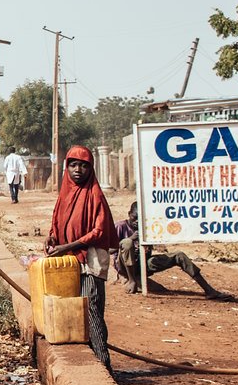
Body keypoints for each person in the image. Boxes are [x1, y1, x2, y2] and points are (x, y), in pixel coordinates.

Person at [45, 146, 120, 368]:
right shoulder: (64, 193)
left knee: (91, 307)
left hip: (91, 260)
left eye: (84, 166)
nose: (78, 170)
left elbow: (99, 231)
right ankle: (91, 359)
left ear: (91, 168)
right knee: (73, 308)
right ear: (67, 167)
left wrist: (69, 245)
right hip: (69, 260)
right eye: (73, 165)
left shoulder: (94, 194)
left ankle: (103, 363)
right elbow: (58, 221)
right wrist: (51, 237)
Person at [115, 201, 223, 298]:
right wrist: (131, 238)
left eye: (141, 219)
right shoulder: (121, 226)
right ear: (129, 214)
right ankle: (132, 280)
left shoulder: (148, 228)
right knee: (127, 243)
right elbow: (110, 249)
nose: (137, 221)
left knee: (179, 255)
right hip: (125, 267)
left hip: (142, 264)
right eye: (134, 217)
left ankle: (209, 289)